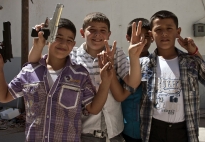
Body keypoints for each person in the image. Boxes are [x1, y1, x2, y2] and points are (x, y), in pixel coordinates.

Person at [0, 18, 115, 142]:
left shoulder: (79, 74)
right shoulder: (29, 71)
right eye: (58, 37)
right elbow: (4, 96)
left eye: (69, 40)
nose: (63, 43)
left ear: (73, 44)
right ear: (47, 40)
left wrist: (105, 81)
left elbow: (93, 108)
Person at [28, 12, 145, 141]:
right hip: (84, 132)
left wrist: (133, 56)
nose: (97, 35)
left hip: (114, 132)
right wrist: (38, 45)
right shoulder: (72, 56)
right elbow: (36, 65)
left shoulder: (116, 53)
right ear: (83, 33)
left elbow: (132, 83)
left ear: (109, 34)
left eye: (102, 30)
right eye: (92, 30)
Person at [136, 10, 205, 142]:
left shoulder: (192, 62)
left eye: (169, 28)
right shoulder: (143, 64)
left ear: (178, 32)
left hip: (183, 132)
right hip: (152, 131)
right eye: (158, 29)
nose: (164, 33)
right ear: (151, 35)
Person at [112, 18, 201, 142]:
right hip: (127, 128)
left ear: (152, 37)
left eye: (146, 36)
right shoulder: (123, 64)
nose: (142, 40)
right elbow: (118, 94)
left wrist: (194, 52)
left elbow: (203, 72)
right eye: (137, 37)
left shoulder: (160, 64)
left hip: (151, 131)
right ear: (128, 38)